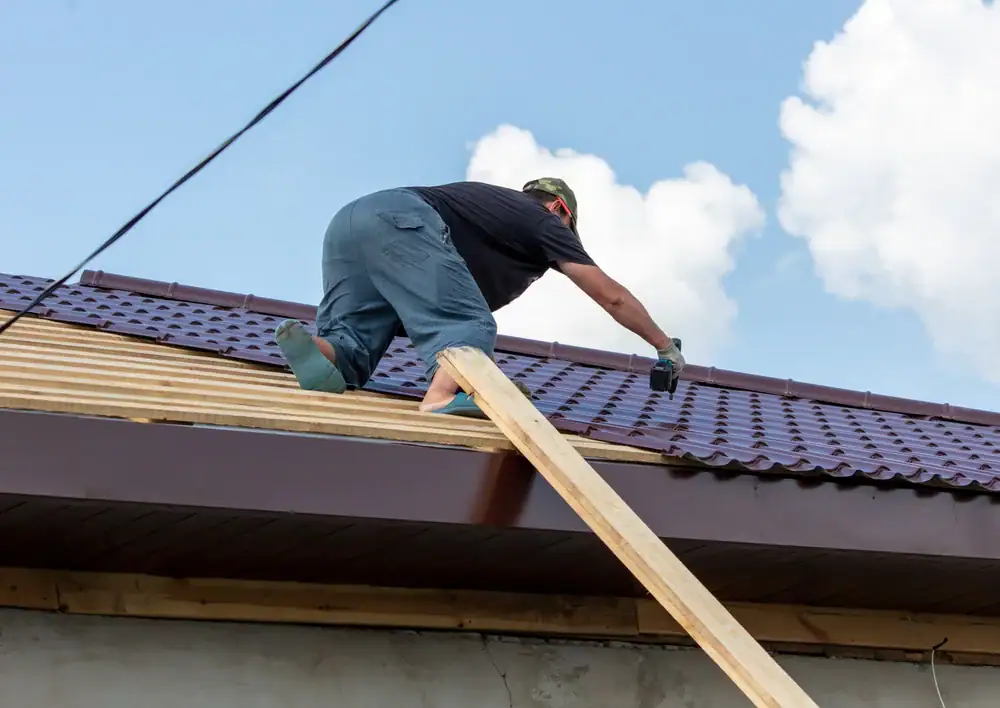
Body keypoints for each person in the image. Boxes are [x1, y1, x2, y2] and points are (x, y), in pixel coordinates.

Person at [274, 177, 685, 417]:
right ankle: (440, 398)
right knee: (469, 325)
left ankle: (319, 352)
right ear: (560, 209)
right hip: (402, 220)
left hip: (348, 224)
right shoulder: (543, 222)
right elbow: (611, 296)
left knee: (354, 345)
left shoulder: (489, 211)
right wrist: (664, 347)